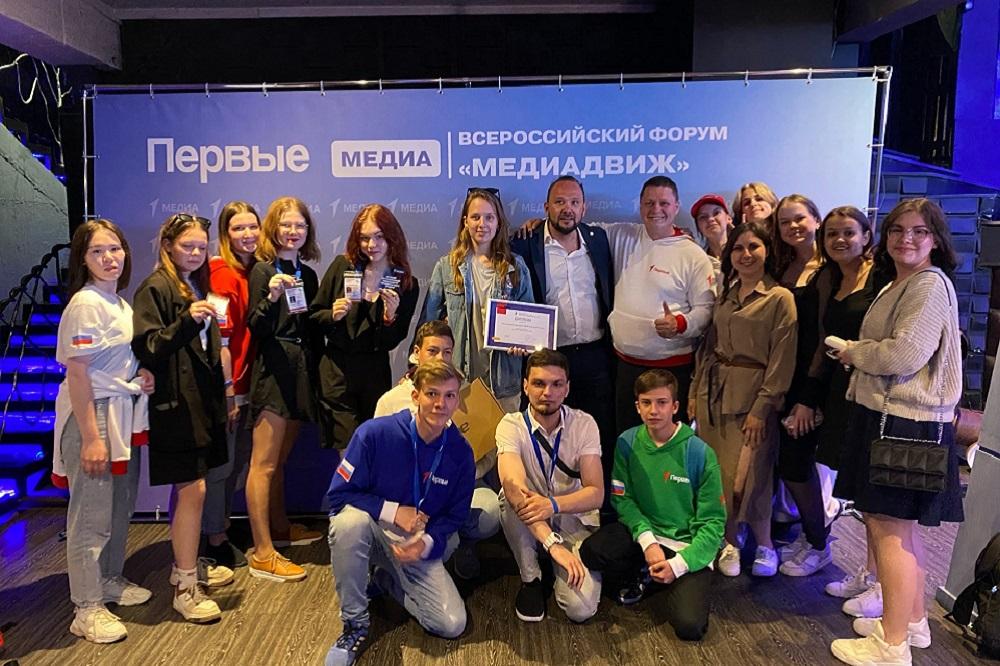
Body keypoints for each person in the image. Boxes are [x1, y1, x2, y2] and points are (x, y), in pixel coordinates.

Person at [830, 198, 963, 665]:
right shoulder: (903, 282)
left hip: (904, 422)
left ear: (936, 239)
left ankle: (891, 645)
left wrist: (853, 352)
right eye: (897, 229)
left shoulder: (927, 285)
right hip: (893, 416)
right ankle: (911, 622)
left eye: (919, 231)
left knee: (890, 531)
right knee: (898, 530)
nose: (907, 238)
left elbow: (905, 354)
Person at [325, 360, 475, 666]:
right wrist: (392, 511)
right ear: (415, 395)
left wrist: (427, 542)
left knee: (451, 624)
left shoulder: (460, 452)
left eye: (449, 395)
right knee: (348, 524)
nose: (440, 404)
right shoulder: (374, 434)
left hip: (415, 544)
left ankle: (386, 580)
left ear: (457, 400)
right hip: (373, 531)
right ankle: (355, 625)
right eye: (432, 394)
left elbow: (456, 515)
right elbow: (338, 494)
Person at [53, 220, 154, 643]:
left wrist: (140, 375)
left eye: (115, 248)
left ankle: (109, 578)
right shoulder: (85, 304)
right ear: (83, 259)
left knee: (117, 507)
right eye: (97, 251)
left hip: (121, 413)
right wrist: (92, 438)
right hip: (92, 415)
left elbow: (115, 362)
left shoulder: (118, 303)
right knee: (90, 515)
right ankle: (86, 606)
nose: (109, 257)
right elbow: (78, 375)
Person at [132, 213, 232, 623]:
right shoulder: (155, 287)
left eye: (201, 247)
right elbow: (148, 347)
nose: (194, 252)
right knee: (193, 490)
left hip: (201, 403)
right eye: (187, 246)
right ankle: (185, 587)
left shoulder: (196, 283)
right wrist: (188, 321)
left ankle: (185, 568)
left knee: (192, 489)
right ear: (168, 246)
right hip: (175, 407)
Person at [579, 369, 725, 641]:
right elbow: (622, 498)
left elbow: (714, 523)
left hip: (685, 545)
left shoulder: (700, 453)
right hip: (643, 534)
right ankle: (646, 571)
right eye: (646, 403)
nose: (653, 410)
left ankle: (669, 576)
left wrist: (679, 565)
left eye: (662, 402)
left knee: (689, 626)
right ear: (637, 406)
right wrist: (648, 542)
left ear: (675, 407)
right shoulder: (627, 442)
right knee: (591, 551)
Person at [688, 221, 797, 578]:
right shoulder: (727, 294)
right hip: (714, 396)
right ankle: (730, 540)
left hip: (753, 399)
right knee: (719, 475)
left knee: (752, 476)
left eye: (753, 247)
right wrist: (694, 392)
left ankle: (765, 544)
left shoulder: (779, 298)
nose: (745, 254)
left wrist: (762, 409)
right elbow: (708, 348)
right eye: (738, 248)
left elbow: (782, 359)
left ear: (767, 251)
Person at [509, 176, 617, 502]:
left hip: (596, 356)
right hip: (550, 359)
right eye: (559, 202)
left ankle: (597, 509)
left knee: (598, 435)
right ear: (546, 207)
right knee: (546, 435)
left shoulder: (599, 239)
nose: (567, 209)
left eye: (574, 202)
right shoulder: (525, 243)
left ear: (584, 208)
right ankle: (543, 505)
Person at [374, 320, 500, 579]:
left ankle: (463, 545)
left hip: (458, 487)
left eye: (447, 352)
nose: (441, 359)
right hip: (410, 493)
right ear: (416, 353)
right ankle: (391, 565)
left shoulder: (467, 392)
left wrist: (467, 474)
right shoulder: (391, 401)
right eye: (432, 351)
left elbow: (489, 451)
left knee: (490, 513)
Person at [806, 207, 888, 603]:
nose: (840, 240)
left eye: (849, 233)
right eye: (832, 234)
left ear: (866, 235)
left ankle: (882, 587)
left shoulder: (881, 277)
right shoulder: (830, 277)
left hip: (874, 390)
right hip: (843, 388)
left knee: (876, 496)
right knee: (860, 490)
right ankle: (870, 574)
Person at [495, 349, 604, 623]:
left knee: (581, 609)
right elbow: (513, 487)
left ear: (567, 389)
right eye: (539, 383)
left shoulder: (585, 424)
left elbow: (596, 493)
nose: (548, 392)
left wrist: (553, 505)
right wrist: (552, 544)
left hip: (571, 518)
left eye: (556, 384)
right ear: (525, 386)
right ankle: (531, 577)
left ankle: (555, 568)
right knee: (509, 496)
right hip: (529, 519)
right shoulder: (510, 424)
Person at [246, 196, 323, 582]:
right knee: (262, 464)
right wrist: (272, 296)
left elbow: (311, 326)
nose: (293, 232)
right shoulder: (262, 271)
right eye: (286, 225)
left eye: (300, 226)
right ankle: (262, 552)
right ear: (272, 228)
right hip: (273, 372)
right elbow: (255, 326)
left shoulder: (307, 274)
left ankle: (279, 528)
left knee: (280, 461)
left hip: (300, 372)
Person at [605, 176, 717, 433]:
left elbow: (706, 309)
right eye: (649, 203)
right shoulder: (622, 235)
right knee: (629, 441)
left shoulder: (693, 255)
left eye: (664, 203)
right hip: (625, 368)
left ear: (676, 207)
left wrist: (680, 324)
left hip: (672, 370)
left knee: (669, 443)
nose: (656, 209)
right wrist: (538, 225)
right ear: (640, 205)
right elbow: (574, 229)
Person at [312, 204, 420, 449]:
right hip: (337, 373)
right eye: (364, 238)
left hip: (374, 374)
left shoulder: (406, 283)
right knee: (347, 447)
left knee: (372, 446)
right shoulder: (343, 266)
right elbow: (315, 316)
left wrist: (389, 318)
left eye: (379, 237)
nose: (372, 245)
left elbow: (394, 339)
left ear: (392, 238)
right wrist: (333, 315)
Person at [421, 187, 534, 413]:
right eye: (475, 217)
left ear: (498, 222)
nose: (482, 224)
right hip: (459, 381)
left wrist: (523, 343)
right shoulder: (446, 267)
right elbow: (428, 326)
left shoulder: (516, 267)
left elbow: (529, 323)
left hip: (504, 382)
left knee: (504, 437)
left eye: (489, 217)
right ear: (465, 222)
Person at [770, 194, 832, 577]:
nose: (793, 226)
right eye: (785, 222)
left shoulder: (827, 270)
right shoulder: (783, 267)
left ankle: (819, 543)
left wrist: (809, 399)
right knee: (786, 464)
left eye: (799, 219)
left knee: (796, 465)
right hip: (782, 379)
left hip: (810, 384)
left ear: (815, 219)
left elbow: (824, 337)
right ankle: (811, 534)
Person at [202, 201, 260, 569]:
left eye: (252, 226)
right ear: (225, 234)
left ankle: (219, 527)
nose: (247, 234)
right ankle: (213, 541)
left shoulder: (252, 270)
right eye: (238, 228)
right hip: (229, 388)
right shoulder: (222, 275)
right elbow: (219, 340)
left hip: (246, 383)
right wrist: (228, 394)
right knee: (221, 468)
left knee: (233, 465)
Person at [690, 193, 734, 274]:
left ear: (728, 218)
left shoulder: (742, 251)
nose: (710, 219)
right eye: (703, 217)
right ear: (698, 226)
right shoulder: (698, 262)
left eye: (716, 213)